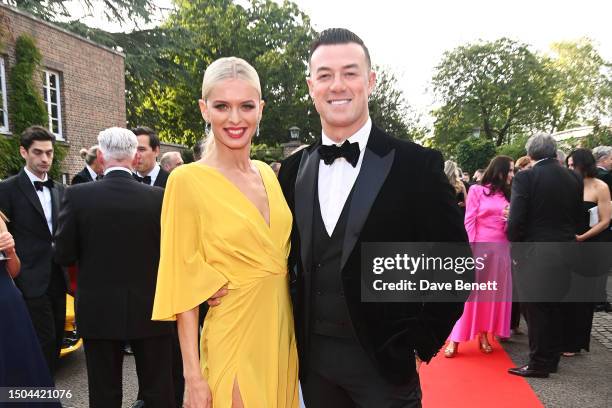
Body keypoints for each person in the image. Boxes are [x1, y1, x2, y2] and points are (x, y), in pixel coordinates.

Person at [277, 28, 467, 407]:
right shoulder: (293, 169)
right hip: (311, 365)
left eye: (350, 72)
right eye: (325, 75)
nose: (338, 86)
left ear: (371, 81)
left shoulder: (416, 164)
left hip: (384, 366)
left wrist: (421, 340)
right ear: (311, 85)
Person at [152, 57, 298, 408]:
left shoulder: (267, 174)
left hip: (281, 334)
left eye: (246, 106)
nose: (235, 119)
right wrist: (192, 377)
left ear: (260, 109)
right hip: (232, 335)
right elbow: (181, 281)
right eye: (222, 106)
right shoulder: (186, 181)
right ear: (205, 110)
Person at [54, 127, 176, 408]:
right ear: (135, 157)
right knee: (159, 390)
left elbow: (63, 253)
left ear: (102, 157)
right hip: (152, 308)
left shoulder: (76, 196)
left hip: (99, 310)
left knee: (104, 394)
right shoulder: (158, 198)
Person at [507, 133, 583, 378]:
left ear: (530, 154)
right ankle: (551, 359)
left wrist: (515, 247)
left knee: (537, 309)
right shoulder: (573, 177)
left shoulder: (526, 177)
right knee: (555, 306)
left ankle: (539, 363)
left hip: (536, 251)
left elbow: (516, 220)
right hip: (566, 248)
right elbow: (577, 217)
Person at [0, 126, 67, 376]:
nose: (45, 159)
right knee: (43, 342)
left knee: (57, 340)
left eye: (49, 153)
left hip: (59, 277)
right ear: (23, 152)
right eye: (38, 152)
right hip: (26, 278)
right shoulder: (7, 189)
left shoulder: (61, 189)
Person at [445, 156, 514, 357]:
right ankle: (455, 339)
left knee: (491, 297)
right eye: (509, 170)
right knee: (470, 296)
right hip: (479, 248)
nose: (512, 174)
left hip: (501, 250)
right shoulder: (477, 190)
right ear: (499, 171)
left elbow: (511, 228)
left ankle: (483, 335)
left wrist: (511, 219)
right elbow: (469, 220)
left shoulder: (509, 195)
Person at [563, 149, 612, 355]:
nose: (570, 168)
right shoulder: (566, 184)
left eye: (574, 164)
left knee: (582, 296)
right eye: (568, 164)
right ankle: (560, 338)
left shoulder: (600, 186)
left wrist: (583, 237)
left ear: (585, 164)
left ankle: (575, 342)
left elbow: (605, 219)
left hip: (589, 244)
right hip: (567, 243)